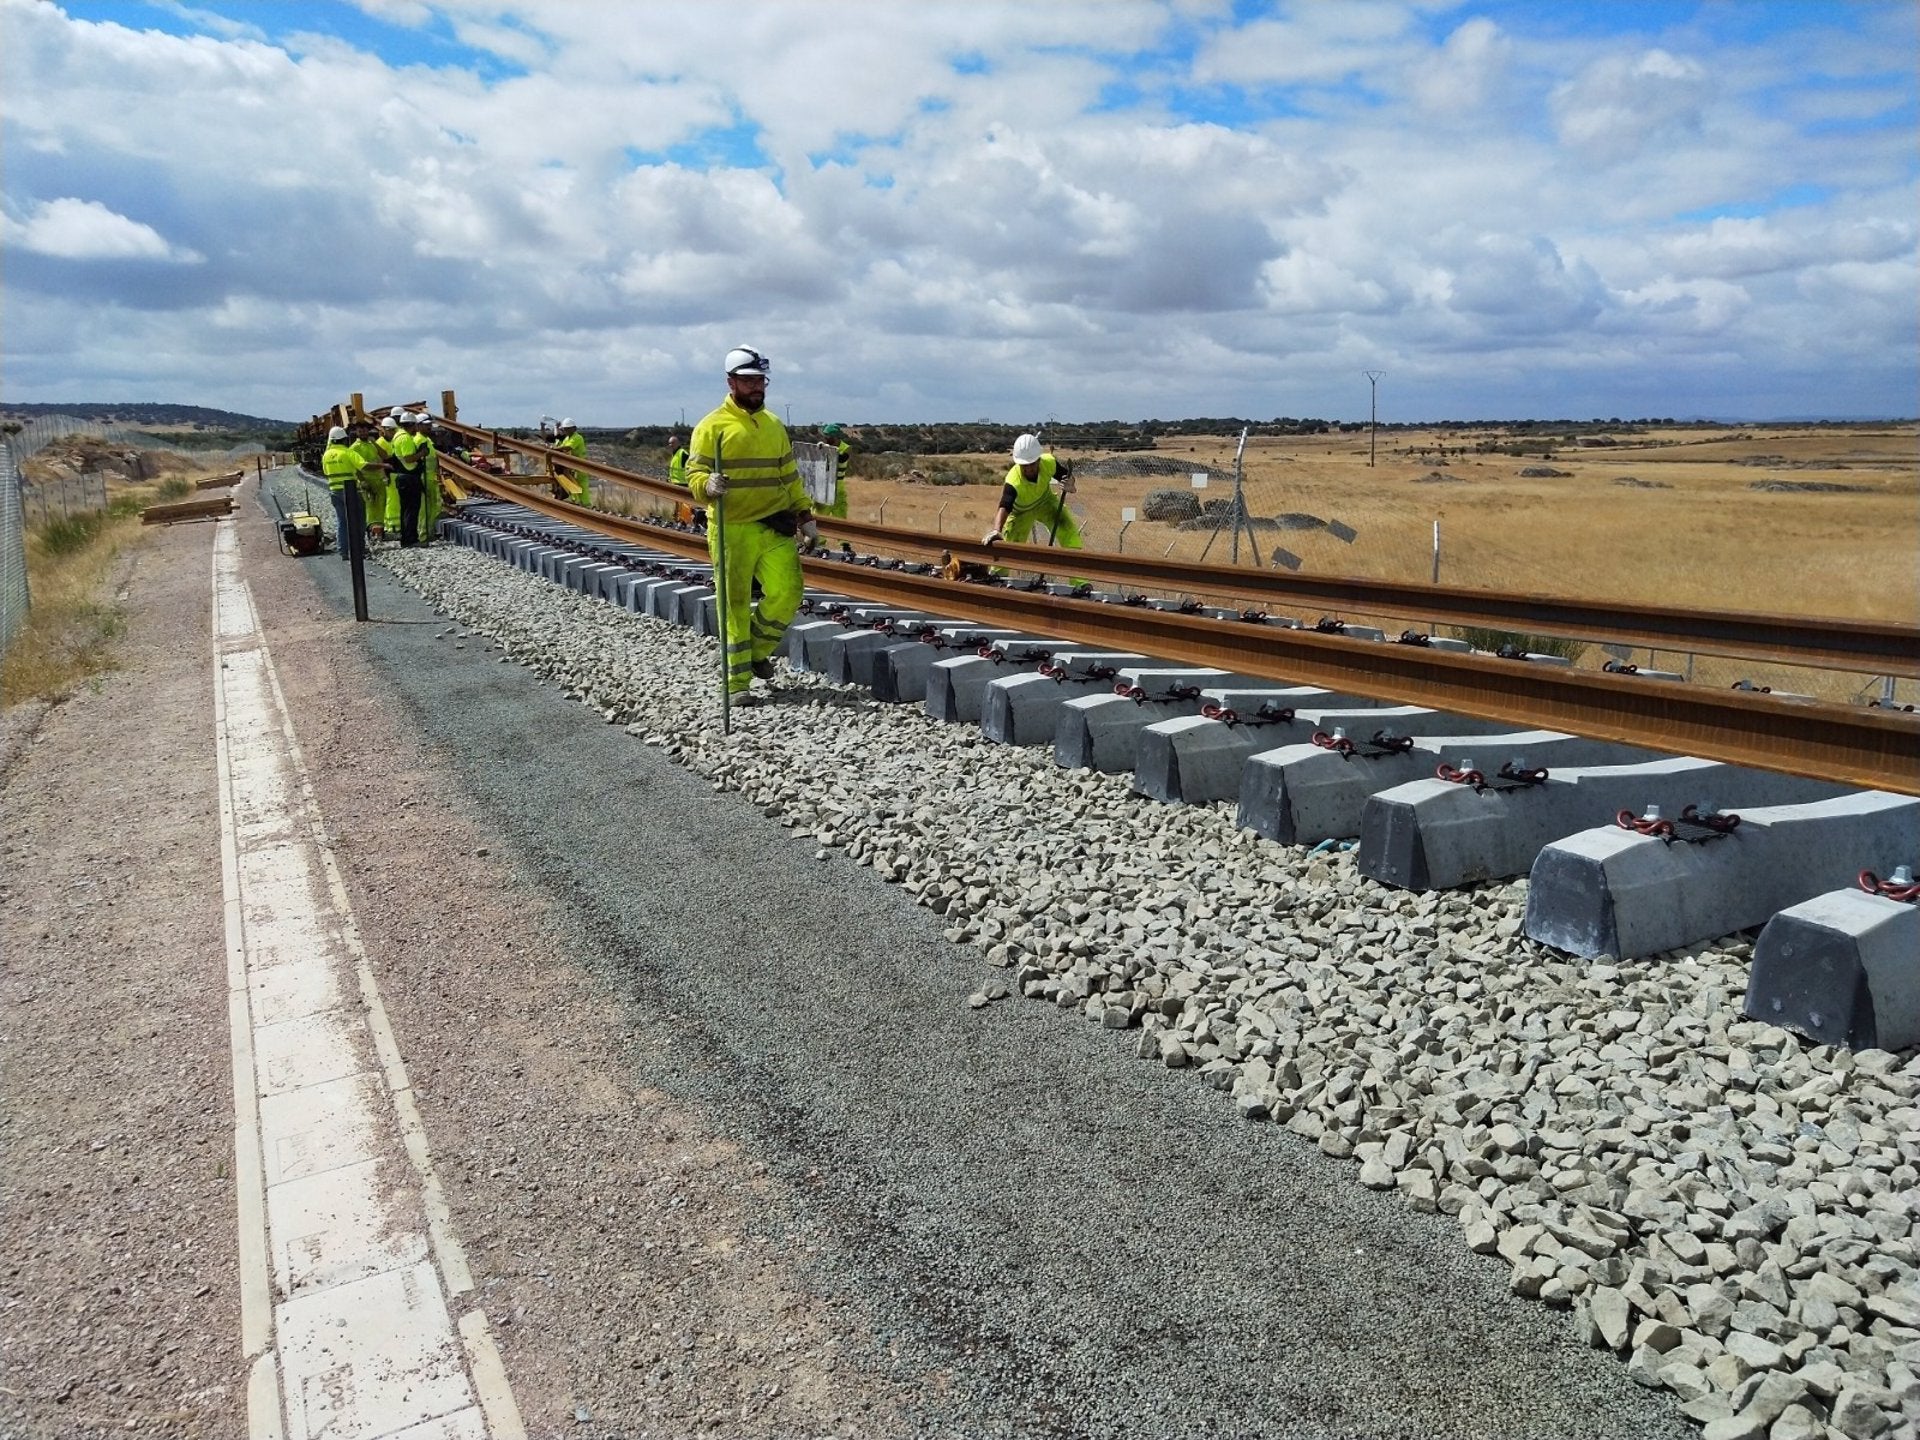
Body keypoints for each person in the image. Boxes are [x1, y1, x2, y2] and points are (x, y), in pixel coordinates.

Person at [684, 345, 818, 706]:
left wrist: (805, 516)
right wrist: (706, 486)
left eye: (760, 379)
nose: (757, 386)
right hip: (732, 528)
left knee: (788, 592)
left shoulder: (774, 425)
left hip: (774, 524)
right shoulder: (711, 427)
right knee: (735, 605)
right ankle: (737, 682)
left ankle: (757, 651)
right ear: (731, 383)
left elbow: (789, 476)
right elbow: (693, 474)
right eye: (748, 380)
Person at [984, 433, 1084, 577]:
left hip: (1046, 503)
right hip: (1020, 513)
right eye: (1024, 465)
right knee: (1008, 549)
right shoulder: (1013, 480)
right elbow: (1004, 506)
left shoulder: (1049, 462)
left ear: (1039, 459)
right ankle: (996, 580)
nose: (1029, 468)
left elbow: (1066, 476)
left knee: (1068, 530)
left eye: (1032, 464)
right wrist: (996, 530)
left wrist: (1071, 483)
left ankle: (1080, 582)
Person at [320, 425, 366, 562]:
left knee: (341, 521)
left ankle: (343, 551)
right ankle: (358, 549)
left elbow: (325, 472)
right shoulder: (347, 452)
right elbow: (364, 465)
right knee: (358, 521)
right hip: (351, 492)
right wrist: (383, 466)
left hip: (334, 491)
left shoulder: (326, 455)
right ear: (344, 440)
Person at [388, 412, 426, 547]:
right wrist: (421, 453)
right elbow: (408, 458)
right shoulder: (405, 438)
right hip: (409, 478)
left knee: (405, 510)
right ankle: (411, 539)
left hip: (402, 477)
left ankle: (406, 538)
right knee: (411, 510)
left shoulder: (397, 436)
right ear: (412, 424)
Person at [412, 412, 442, 544]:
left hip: (430, 477)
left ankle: (429, 532)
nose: (429, 427)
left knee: (433, 505)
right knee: (424, 508)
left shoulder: (427, 440)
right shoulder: (418, 440)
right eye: (426, 425)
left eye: (430, 425)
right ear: (418, 426)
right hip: (423, 477)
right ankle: (423, 534)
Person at [554, 417, 591, 505]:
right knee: (571, 481)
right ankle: (577, 500)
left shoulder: (577, 437)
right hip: (573, 464)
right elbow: (562, 447)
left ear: (574, 429)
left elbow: (567, 447)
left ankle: (585, 504)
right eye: (565, 429)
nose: (566, 431)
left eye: (568, 429)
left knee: (582, 484)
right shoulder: (567, 439)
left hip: (581, 464)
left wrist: (555, 449)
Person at [821, 422, 852, 519]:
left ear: (834, 437)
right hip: (824, 486)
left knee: (840, 517)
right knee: (820, 516)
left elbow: (842, 458)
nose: (825, 438)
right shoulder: (825, 446)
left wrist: (826, 449)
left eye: (827, 436)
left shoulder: (845, 448)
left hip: (838, 486)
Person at [666, 432, 698, 525]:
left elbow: (690, 467)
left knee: (685, 505)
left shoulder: (683, 454)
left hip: (683, 483)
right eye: (669, 443)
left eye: (672, 443)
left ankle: (685, 521)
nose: (670, 445)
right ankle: (679, 520)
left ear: (678, 443)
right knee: (678, 505)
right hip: (675, 483)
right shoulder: (675, 454)